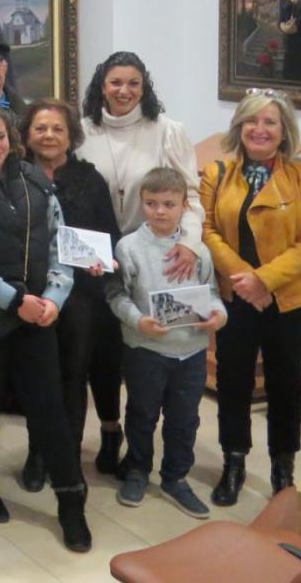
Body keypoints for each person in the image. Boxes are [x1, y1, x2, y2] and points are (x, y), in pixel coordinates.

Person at [0, 106, 91, 552]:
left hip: (37, 316)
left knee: (49, 409)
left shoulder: (36, 182)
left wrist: (53, 299)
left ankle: (70, 501)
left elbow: (61, 244)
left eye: (0, 137)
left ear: (12, 138)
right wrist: (14, 301)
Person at [76, 50, 203, 473]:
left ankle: (147, 449)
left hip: (153, 254)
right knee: (102, 351)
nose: (124, 91)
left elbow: (191, 195)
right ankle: (111, 430)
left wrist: (190, 242)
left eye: (133, 83)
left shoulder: (168, 131)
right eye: (115, 82)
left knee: (145, 354)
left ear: (144, 86)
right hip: (97, 255)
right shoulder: (84, 131)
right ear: (101, 86)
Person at [201, 89, 301, 505]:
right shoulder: (217, 174)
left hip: (288, 299)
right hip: (236, 298)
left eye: (270, 122)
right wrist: (245, 281)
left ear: (283, 131)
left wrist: (265, 281)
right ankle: (233, 463)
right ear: (239, 127)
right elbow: (206, 231)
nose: (260, 129)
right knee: (233, 381)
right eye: (252, 121)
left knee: (285, 383)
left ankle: (282, 468)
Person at [106, 167, 227, 518]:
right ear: (142, 203)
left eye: (169, 204)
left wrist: (219, 316)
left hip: (190, 352)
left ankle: (176, 477)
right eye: (151, 203)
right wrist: (138, 321)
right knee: (142, 415)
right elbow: (116, 295)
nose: (159, 211)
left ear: (184, 207)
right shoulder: (128, 247)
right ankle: (138, 470)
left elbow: (214, 294)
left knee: (184, 418)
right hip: (145, 350)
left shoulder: (198, 251)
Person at [17, 99, 123, 492]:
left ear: (71, 135)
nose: (48, 135)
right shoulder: (14, 174)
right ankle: (37, 452)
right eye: (41, 128)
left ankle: (69, 455)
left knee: (73, 376)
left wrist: (102, 261)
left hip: (81, 294)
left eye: (57, 129)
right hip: (30, 291)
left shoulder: (89, 178)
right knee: (36, 375)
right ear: (27, 134)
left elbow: (108, 234)